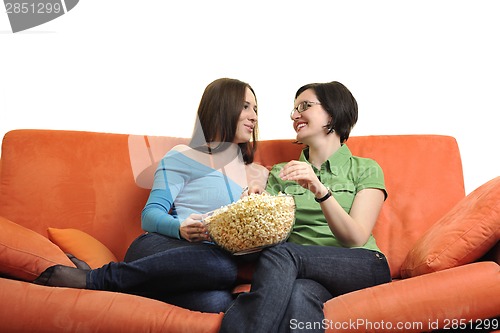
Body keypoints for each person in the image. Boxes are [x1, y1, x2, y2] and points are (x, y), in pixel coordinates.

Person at [33, 77, 268, 313]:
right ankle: (97, 279)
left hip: (206, 265)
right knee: (222, 268)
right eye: (245, 106)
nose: (254, 116)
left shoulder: (255, 174)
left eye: (256, 109)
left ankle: (127, 286)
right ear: (222, 106)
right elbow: (150, 215)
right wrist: (180, 228)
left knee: (216, 302)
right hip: (164, 246)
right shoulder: (184, 156)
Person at [219, 81, 392, 332]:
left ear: (332, 113)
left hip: (361, 264)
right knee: (299, 296)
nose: (295, 115)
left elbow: (355, 237)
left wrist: (320, 190)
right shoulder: (281, 172)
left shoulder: (365, 168)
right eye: (293, 110)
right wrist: (254, 207)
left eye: (304, 106)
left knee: (284, 254)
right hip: (304, 276)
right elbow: (269, 237)